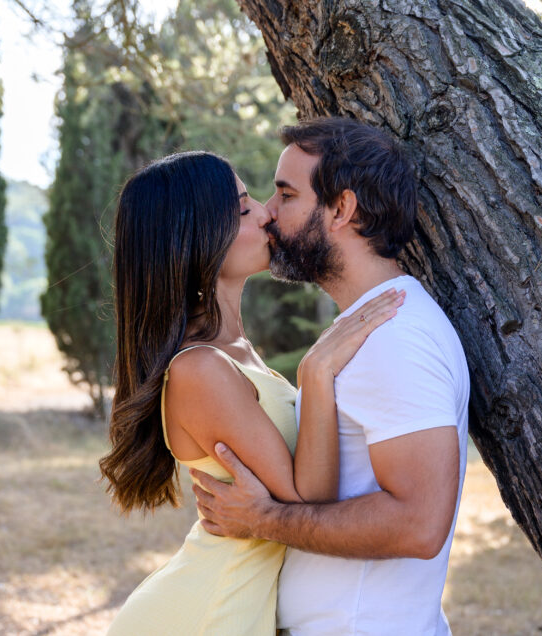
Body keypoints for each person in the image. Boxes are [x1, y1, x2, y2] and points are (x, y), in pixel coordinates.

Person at [100, 150, 405, 635]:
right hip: (206, 613)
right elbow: (310, 499)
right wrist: (317, 372)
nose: (266, 212)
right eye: (244, 209)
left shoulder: (233, 351)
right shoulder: (200, 369)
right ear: (199, 239)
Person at [191, 118, 471, 635]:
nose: (267, 215)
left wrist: (262, 520)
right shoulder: (367, 330)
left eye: (285, 194)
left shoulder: (395, 338)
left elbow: (420, 521)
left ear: (341, 209)